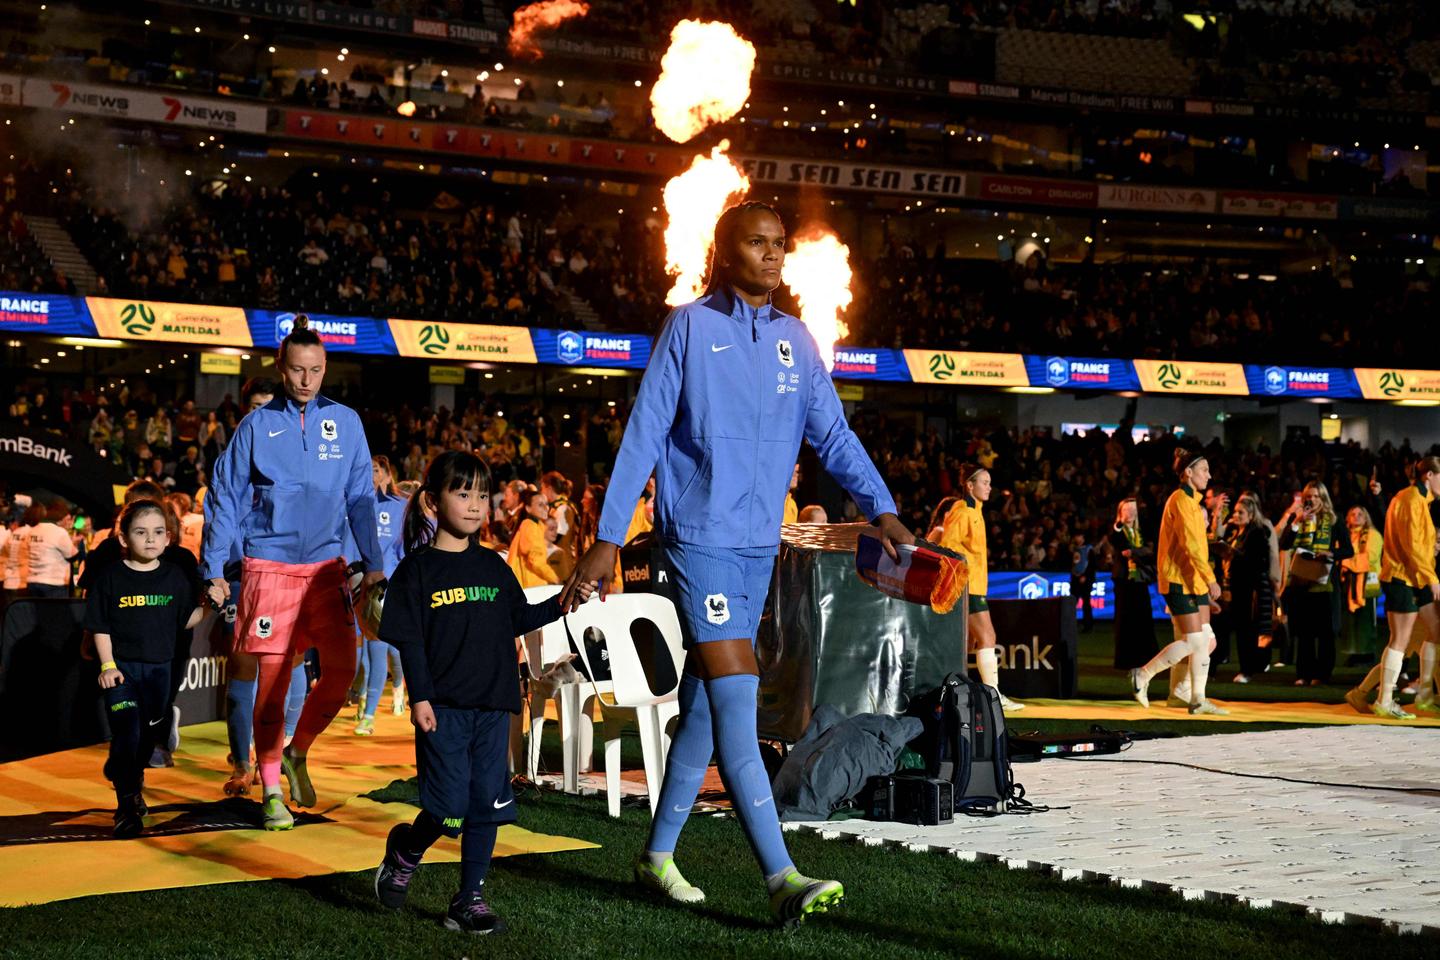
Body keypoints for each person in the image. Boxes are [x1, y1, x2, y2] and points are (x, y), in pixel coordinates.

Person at [558, 201, 914, 926]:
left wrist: (879, 504)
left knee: (701, 707)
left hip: (760, 548)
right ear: (726, 253)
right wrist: (608, 534)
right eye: (757, 243)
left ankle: (656, 857)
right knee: (736, 702)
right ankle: (782, 877)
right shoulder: (690, 326)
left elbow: (835, 435)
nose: (773, 255)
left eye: (780, 244)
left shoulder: (796, 341)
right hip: (698, 543)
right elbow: (645, 432)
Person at [373, 451, 593, 933]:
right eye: (462, 492)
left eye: (480, 494)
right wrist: (421, 698)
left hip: (495, 706)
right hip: (444, 708)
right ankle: (406, 851)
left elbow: (519, 617)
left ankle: (469, 898)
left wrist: (563, 602)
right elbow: (409, 640)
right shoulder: (416, 570)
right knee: (446, 807)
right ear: (432, 502)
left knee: (485, 806)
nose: (474, 504)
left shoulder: (494, 566)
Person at [202, 318, 385, 830]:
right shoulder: (256, 427)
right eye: (298, 370)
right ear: (281, 368)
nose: (307, 380)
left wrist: (373, 564)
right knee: (274, 683)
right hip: (269, 569)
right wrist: (214, 566)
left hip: (327, 569)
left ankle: (296, 750)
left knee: (343, 670)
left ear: (326, 368)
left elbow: (361, 500)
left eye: (316, 370)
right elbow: (228, 498)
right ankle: (272, 792)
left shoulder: (346, 422)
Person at [85, 499, 204, 837]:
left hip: (160, 673)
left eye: (157, 533)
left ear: (168, 538)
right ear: (124, 539)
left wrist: (209, 608)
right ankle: (125, 808)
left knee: (145, 739)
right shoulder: (109, 578)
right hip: (121, 672)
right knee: (126, 732)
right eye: (140, 532)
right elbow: (100, 626)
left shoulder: (176, 577)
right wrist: (108, 665)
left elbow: (186, 621)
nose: (150, 539)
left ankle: (133, 781)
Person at [1130, 448, 1228, 715]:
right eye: (1204, 470)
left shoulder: (1192, 503)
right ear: (1188, 472)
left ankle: (1195, 698)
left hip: (1192, 581)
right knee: (1195, 641)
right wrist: (1210, 579)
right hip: (1179, 580)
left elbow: (1197, 546)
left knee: (1207, 640)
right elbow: (1191, 547)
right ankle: (1144, 674)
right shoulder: (1181, 501)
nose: (1209, 475)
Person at [219, 377, 279, 797]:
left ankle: (275, 756)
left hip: (288, 580)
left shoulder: (299, 457)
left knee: (285, 671)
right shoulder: (229, 461)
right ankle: (242, 763)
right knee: (243, 670)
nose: (259, 415)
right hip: (243, 580)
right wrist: (214, 572)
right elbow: (217, 516)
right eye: (253, 406)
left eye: (267, 407)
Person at [1360, 456, 1440, 718]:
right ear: (1429, 475)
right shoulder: (1411, 499)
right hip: (1402, 577)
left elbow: (1417, 543)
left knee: (1435, 629)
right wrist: (1432, 577)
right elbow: (1412, 545)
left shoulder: (1418, 500)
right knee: (1400, 640)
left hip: (1413, 576)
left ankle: (1425, 695)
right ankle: (1384, 699)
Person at [940, 466, 1021, 711]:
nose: (989, 487)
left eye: (989, 482)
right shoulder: (963, 511)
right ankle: (994, 696)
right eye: (984, 482)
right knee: (987, 637)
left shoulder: (976, 511)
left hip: (974, 585)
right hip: (968, 585)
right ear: (969, 485)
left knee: (967, 642)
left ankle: (954, 693)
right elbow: (947, 546)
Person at [355, 455, 409, 736]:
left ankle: (369, 714)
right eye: (369, 470)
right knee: (362, 653)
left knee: (383, 651)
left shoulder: (400, 508)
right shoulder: (356, 503)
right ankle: (363, 695)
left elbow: (405, 548)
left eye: (376, 470)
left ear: (388, 476)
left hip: (385, 589)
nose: (372, 474)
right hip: (356, 586)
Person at [1276, 481, 1346, 686]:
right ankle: (1303, 673)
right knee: (1304, 632)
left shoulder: (1334, 519)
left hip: (1324, 582)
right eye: (1309, 496)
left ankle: (1322, 674)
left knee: (1324, 633)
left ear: (1323, 497)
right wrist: (1296, 523)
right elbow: (1284, 545)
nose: (1312, 500)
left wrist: (1331, 553)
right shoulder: (1299, 519)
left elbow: (1348, 550)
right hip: (1300, 581)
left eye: (1316, 496)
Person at [1215, 493, 1275, 684]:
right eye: (1235, 512)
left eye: (1241, 512)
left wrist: (1234, 554)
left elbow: (1258, 562)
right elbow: (1217, 534)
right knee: (1234, 629)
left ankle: (1247, 670)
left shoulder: (1256, 532)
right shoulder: (1235, 532)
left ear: (1251, 514)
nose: (1237, 515)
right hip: (1233, 587)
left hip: (1249, 589)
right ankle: (1229, 665)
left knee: (1247, 631)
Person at [1108, 498, 1157, 670]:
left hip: (1139, 580)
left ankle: (1146, 656)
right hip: (1124, 581)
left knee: (1143, 617)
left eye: (1132, 510)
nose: (1130, 513)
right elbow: (1115, 539)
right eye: (1126, 510)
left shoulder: (1141, 532)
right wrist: (1119, 524)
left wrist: (1134, 552)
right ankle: (1124, 659)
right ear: (1120, 513)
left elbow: (1150, 552)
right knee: (1124, 619)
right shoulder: (1119, 530)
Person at [1338, 505, 1383, 667]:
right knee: (1350, 622)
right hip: (1349, 583)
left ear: (1366, 518)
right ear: (1347, 518)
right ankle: (1354, 653)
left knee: (1366, 621)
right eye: (1352, 514)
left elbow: (1370, 557)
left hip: (1367, 583)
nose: (1356, 517)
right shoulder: (1345, 535)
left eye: (1360, 514)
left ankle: (1367, 653)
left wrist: (1346, 562)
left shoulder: (1373, 535)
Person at [506, 490, 559, 588]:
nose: (546, 508)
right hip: (531, 586)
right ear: (528, 508)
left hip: (531, 585)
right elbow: (535, 560)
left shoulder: (536, 525)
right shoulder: (530, 526)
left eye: (546, 504)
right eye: (540, 505)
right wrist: (555, 578)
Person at [26, 500, 79, 598]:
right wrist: (74, 544)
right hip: (54, 583)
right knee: (56, 613)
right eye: (67, 519)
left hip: (32, 581)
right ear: (61, 518)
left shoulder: (32, 530)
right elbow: (73, 556)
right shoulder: (59, 532)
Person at [540, 472, 578, 580]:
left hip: (563, 562)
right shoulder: (556, 507)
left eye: (542, 488)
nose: (541, 492)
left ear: (549, 488)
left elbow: (558, 536)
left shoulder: (563, 508)